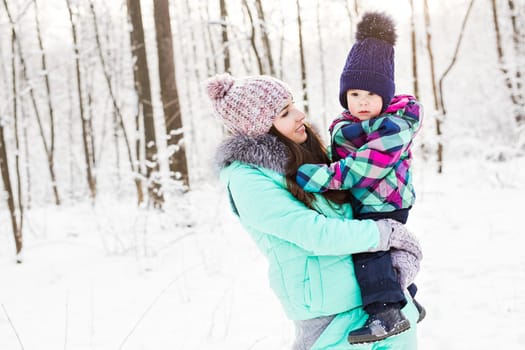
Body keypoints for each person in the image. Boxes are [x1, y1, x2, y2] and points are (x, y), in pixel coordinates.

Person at [206, 72, 422, 349]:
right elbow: (312, 233)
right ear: (258, 127)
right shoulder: (247, 179)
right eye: (285, 112)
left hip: (385, 309)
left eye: (293, 104)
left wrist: (397, 262)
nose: (299, 115)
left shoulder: (311, 155)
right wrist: (386, 234)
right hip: (331, 320)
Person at [295, 12, 424, 344]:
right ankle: (409, 298)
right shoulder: (346, 125)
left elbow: (367, 166)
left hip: (385, 199)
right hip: (364, 199)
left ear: (386, 95)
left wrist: (325, 177)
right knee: (381, 253)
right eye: (354, 94)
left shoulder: (395, 125)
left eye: (370, 94)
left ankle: (386, 313)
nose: (362, 101)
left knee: (370, 252)